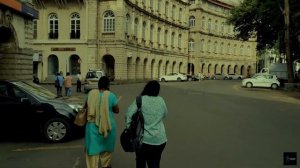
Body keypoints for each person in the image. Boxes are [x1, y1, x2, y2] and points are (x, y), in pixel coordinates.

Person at [126, 80, 168, 168]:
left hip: (143, 141)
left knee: (140, 162)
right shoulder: (161, 100)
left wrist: (130, 129)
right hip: (159, 140)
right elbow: (165, 114)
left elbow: (128, 115)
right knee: (155, 163)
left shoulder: (140, 100)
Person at [85, 76, 120, 168]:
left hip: (92, 126)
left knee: (93, 151)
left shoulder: (91, 94)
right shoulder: (111, 96)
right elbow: (117, 110)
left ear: (98, 84)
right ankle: (106, 165)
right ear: (108, 85)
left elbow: (86, 107)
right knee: (106, 150)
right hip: (108, 126)